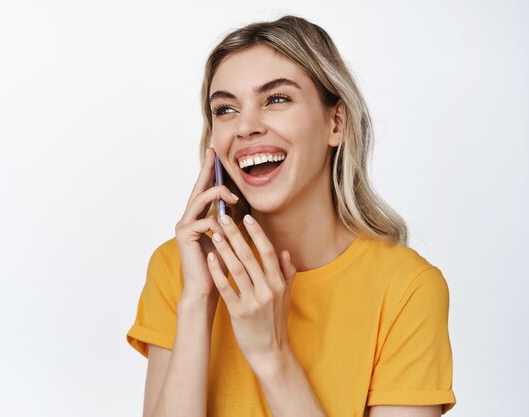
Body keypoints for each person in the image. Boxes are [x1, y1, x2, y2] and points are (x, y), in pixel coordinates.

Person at [126, 14, 456, 417]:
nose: (245, 127)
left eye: (276, 99)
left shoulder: (408, 289)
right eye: (225, 109)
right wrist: (197, 301)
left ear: (335, 122)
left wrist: (272, 356)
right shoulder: (180, 267)